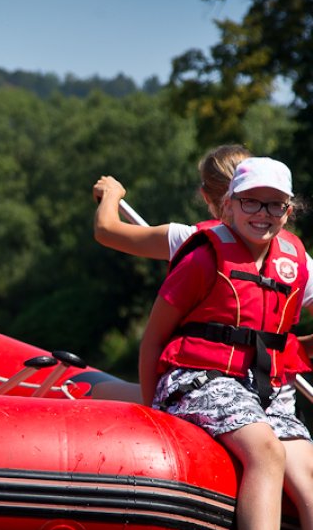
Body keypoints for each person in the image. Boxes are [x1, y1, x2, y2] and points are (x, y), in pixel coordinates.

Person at [138, 157, 313, 530]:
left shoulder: (295, 261)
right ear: (229, 205)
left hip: (267, 387)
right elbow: (153, 339)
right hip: (197, 378)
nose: (263, 214)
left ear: (288, 211)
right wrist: (150, 410)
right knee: (266, 451)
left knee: (307, 470)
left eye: (274, 205)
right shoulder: (203, 257)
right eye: (252, 202)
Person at [91, 144, 312, 403]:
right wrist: (289, 347)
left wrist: (111, 193)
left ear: (205, 196)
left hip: (207, 383)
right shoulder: (296, 261)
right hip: (248, 391)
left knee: (120, 392)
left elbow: (106, 230)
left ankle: (84, 392)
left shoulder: (188, 238)